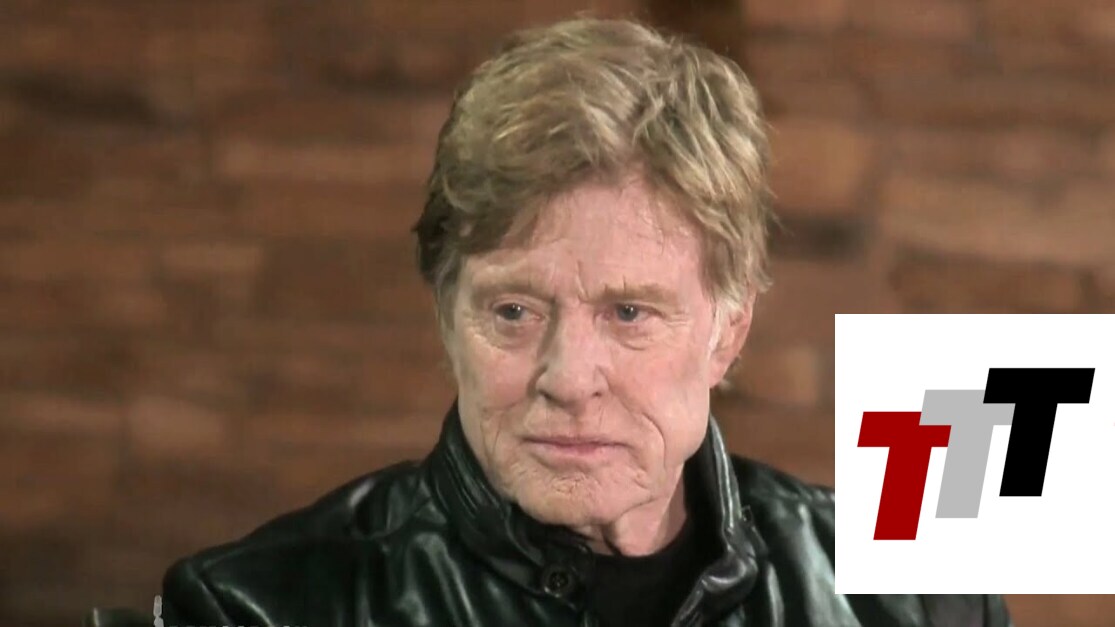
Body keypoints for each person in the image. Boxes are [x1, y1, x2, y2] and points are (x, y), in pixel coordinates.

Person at [161, 17, 1012, 627]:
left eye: (628, 312)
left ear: (727, 331)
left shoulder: (919, 594)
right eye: (513, 311)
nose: (567, 378)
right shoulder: (251, 609)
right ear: (447, 318)